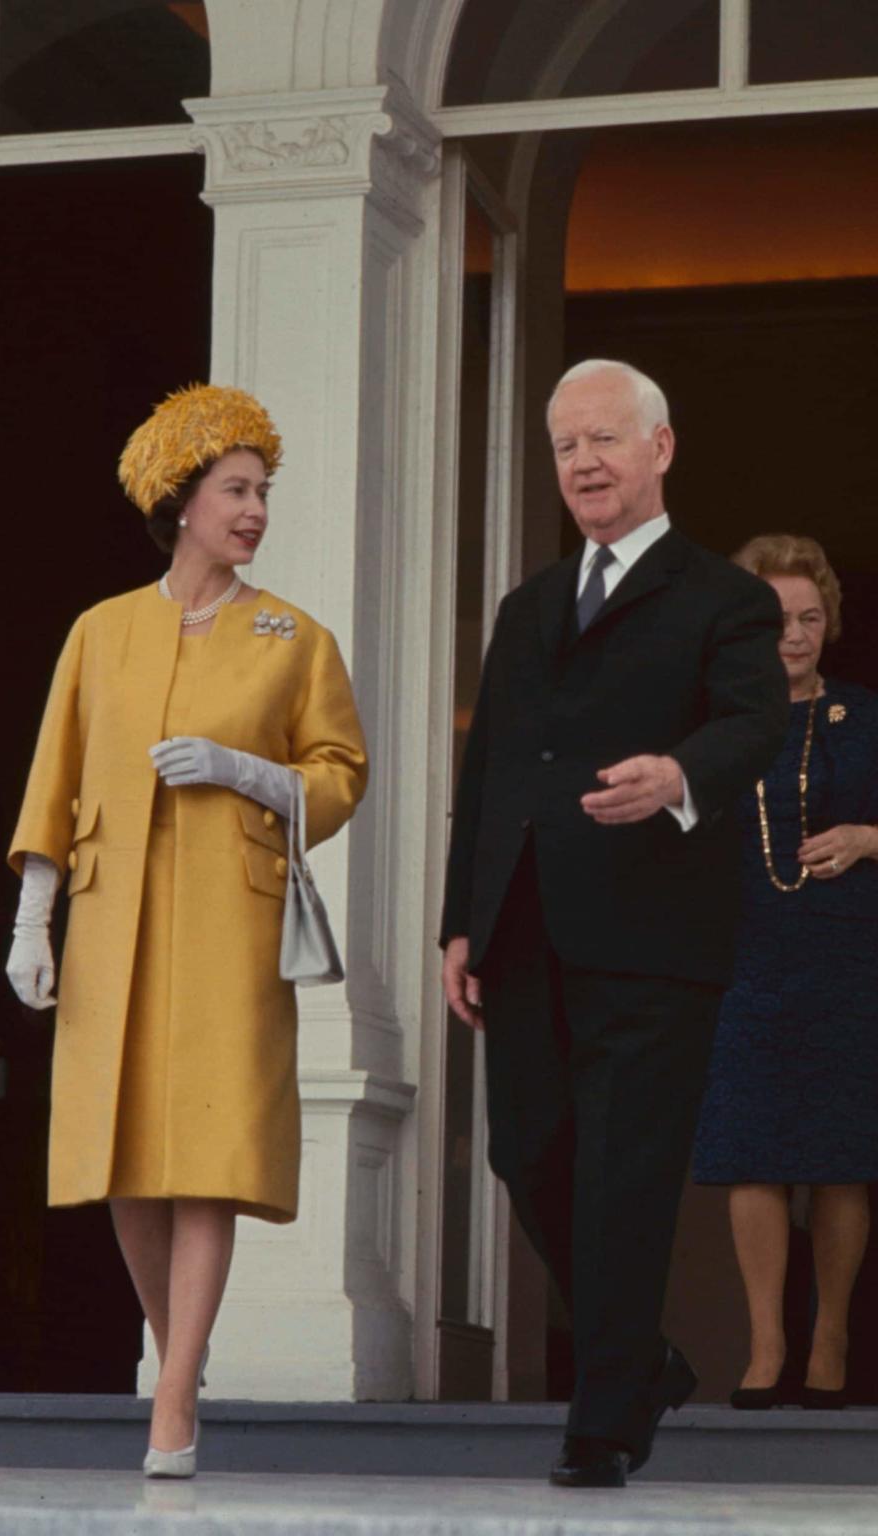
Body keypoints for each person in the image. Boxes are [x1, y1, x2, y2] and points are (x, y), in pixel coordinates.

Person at [5, 384, 368, 1478]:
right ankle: (183, 1355)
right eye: (236, 490)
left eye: (263, 492)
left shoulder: (294, 637)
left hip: (229, 917)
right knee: (126, 1157)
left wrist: (250, 772)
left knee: (207, 1153)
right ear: (181, 500)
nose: (255, 510)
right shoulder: (101, 631)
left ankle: (172, 1394)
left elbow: (341, 774)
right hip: (112, 920)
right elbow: (52, 781)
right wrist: (34, 919)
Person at [441, 358, 789, 1489]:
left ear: (661, 448)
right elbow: (487, 767)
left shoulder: (724, 600)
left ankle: (602, 1423)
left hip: (653, 936)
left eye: (604, 439)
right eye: (565, 447)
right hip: (526, 931)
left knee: (625, 1176)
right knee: (526, 1152)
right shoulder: (529, 605)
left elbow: (753, 727)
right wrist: (461, 922)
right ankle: (640, 1360)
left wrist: (678, 777)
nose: (584, 462)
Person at [694, 535, 878, 1410]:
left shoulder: (867, 716)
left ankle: (831, 1333)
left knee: (842, 1157)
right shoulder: (714, 723)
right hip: (746, 953)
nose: (794, 635)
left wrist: (871, 838)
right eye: (775, 619)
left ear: (828, 622)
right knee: (752, 1152)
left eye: (809, 618)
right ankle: (767, 1342)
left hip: (848, 953)